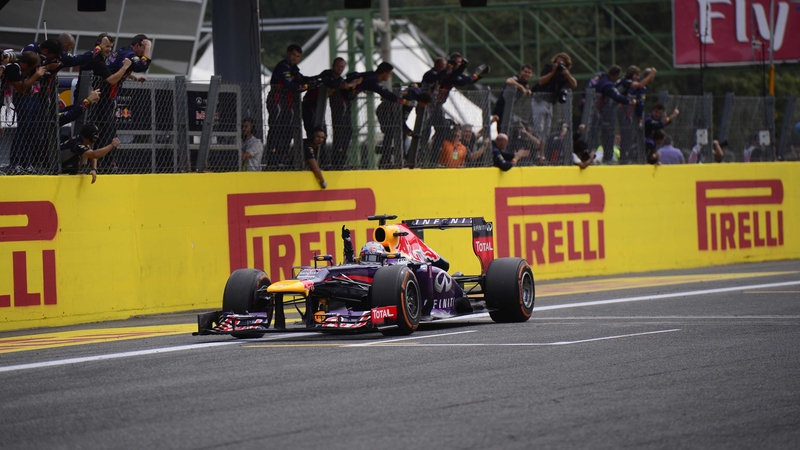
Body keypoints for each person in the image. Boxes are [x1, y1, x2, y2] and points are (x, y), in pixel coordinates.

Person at [81, 33, 133, 171]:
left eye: (111, 46)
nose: (109, 49)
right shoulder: (97, 61)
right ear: (98, 45)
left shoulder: (100, 59)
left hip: (100, 103)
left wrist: (133, 76)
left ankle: (102, 163)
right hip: (95, 104)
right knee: (99, 133)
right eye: (106, 46)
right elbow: (111, 80)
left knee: (105, 131)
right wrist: (125, 67)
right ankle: (99, 165)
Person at [266, 44, 313, 167]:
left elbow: (301, 79)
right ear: (288, 53)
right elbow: (290, 84)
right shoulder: (283, 66)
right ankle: (272, 159)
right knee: (276, 129)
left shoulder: (294, 69)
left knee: (287, 130)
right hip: (276, 100)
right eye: (293, 55)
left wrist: (315, 80)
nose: (295, 58)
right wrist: (306, 86)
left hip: (288, 102)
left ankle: (282, 158)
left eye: (298, 56)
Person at [3, 51, 47, 174]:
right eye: (33, 68)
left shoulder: (30, 70)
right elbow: (21, 88)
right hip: (21, 99)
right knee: (23, 130)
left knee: (33, 130)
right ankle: (15, 163)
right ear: (25, 65)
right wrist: (36, 75)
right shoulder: (13, 68)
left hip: (33, 97)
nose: (35, 70)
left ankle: (26, 162)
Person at [301, 57, 361, 143]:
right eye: (337, 66)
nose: (339, 69)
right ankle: (311, 153)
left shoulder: (340, 80)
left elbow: (347, 95)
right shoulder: (327, 74)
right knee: (313, 132)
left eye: (342, 67)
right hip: (310, 105)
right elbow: (334, 84)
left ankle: (321, 154)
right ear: (333, 65)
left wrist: (356, 89)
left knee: (323, 133)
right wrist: (350, 84)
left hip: (320, 107)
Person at [586, 65, 635, 164]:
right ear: (615, 75)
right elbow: (616, 96)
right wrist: (630, 101)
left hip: (588, 107)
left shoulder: (600, 76)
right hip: (597, 111)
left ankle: (590, 154)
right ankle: (606, 158)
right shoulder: (607, 84)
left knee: (592, 132)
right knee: (604, 132)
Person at [376, 84, 431, 164]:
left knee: (400, 134)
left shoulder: (416, 91)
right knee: (390, 133)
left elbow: (413, 85)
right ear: (421, 102)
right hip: (384, 112)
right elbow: (401, 122)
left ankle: (402, 157)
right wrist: (411, 133)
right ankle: (386, 159)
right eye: (425, 105)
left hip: (387, 110)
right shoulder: (409, 104)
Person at [531, 53, 578, 144]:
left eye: (562, 63)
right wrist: (552, 72)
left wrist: (566, 73)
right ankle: (535, 150)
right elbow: (541, 81)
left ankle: (542, 153)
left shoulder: (564, 73)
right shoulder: (548, 68)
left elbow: (574, 84)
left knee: (546, 128)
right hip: (540, 99)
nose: (559, 65)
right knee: (539, 126)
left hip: (550, 102)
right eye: (557, 62)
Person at [617, 66, 656, 163]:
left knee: (631, 135)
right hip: (624, 111)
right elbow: (640, 84)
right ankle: (623, 158)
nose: (638, 77)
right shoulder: (627, 82)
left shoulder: (636, 83)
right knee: (626, 134)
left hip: (630, 113)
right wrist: (651, 73)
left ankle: (628, 156)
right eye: (636, 75)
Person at [492, 64, 533, 133]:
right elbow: (509, 81)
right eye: (525, 72)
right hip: (502, 107)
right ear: (521, 71)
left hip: (510, 108)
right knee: (502, 128)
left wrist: (527, 91)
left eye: (529, 73)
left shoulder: (525, 83)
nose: (527, 74)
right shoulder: (517, 78)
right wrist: (521, 87)